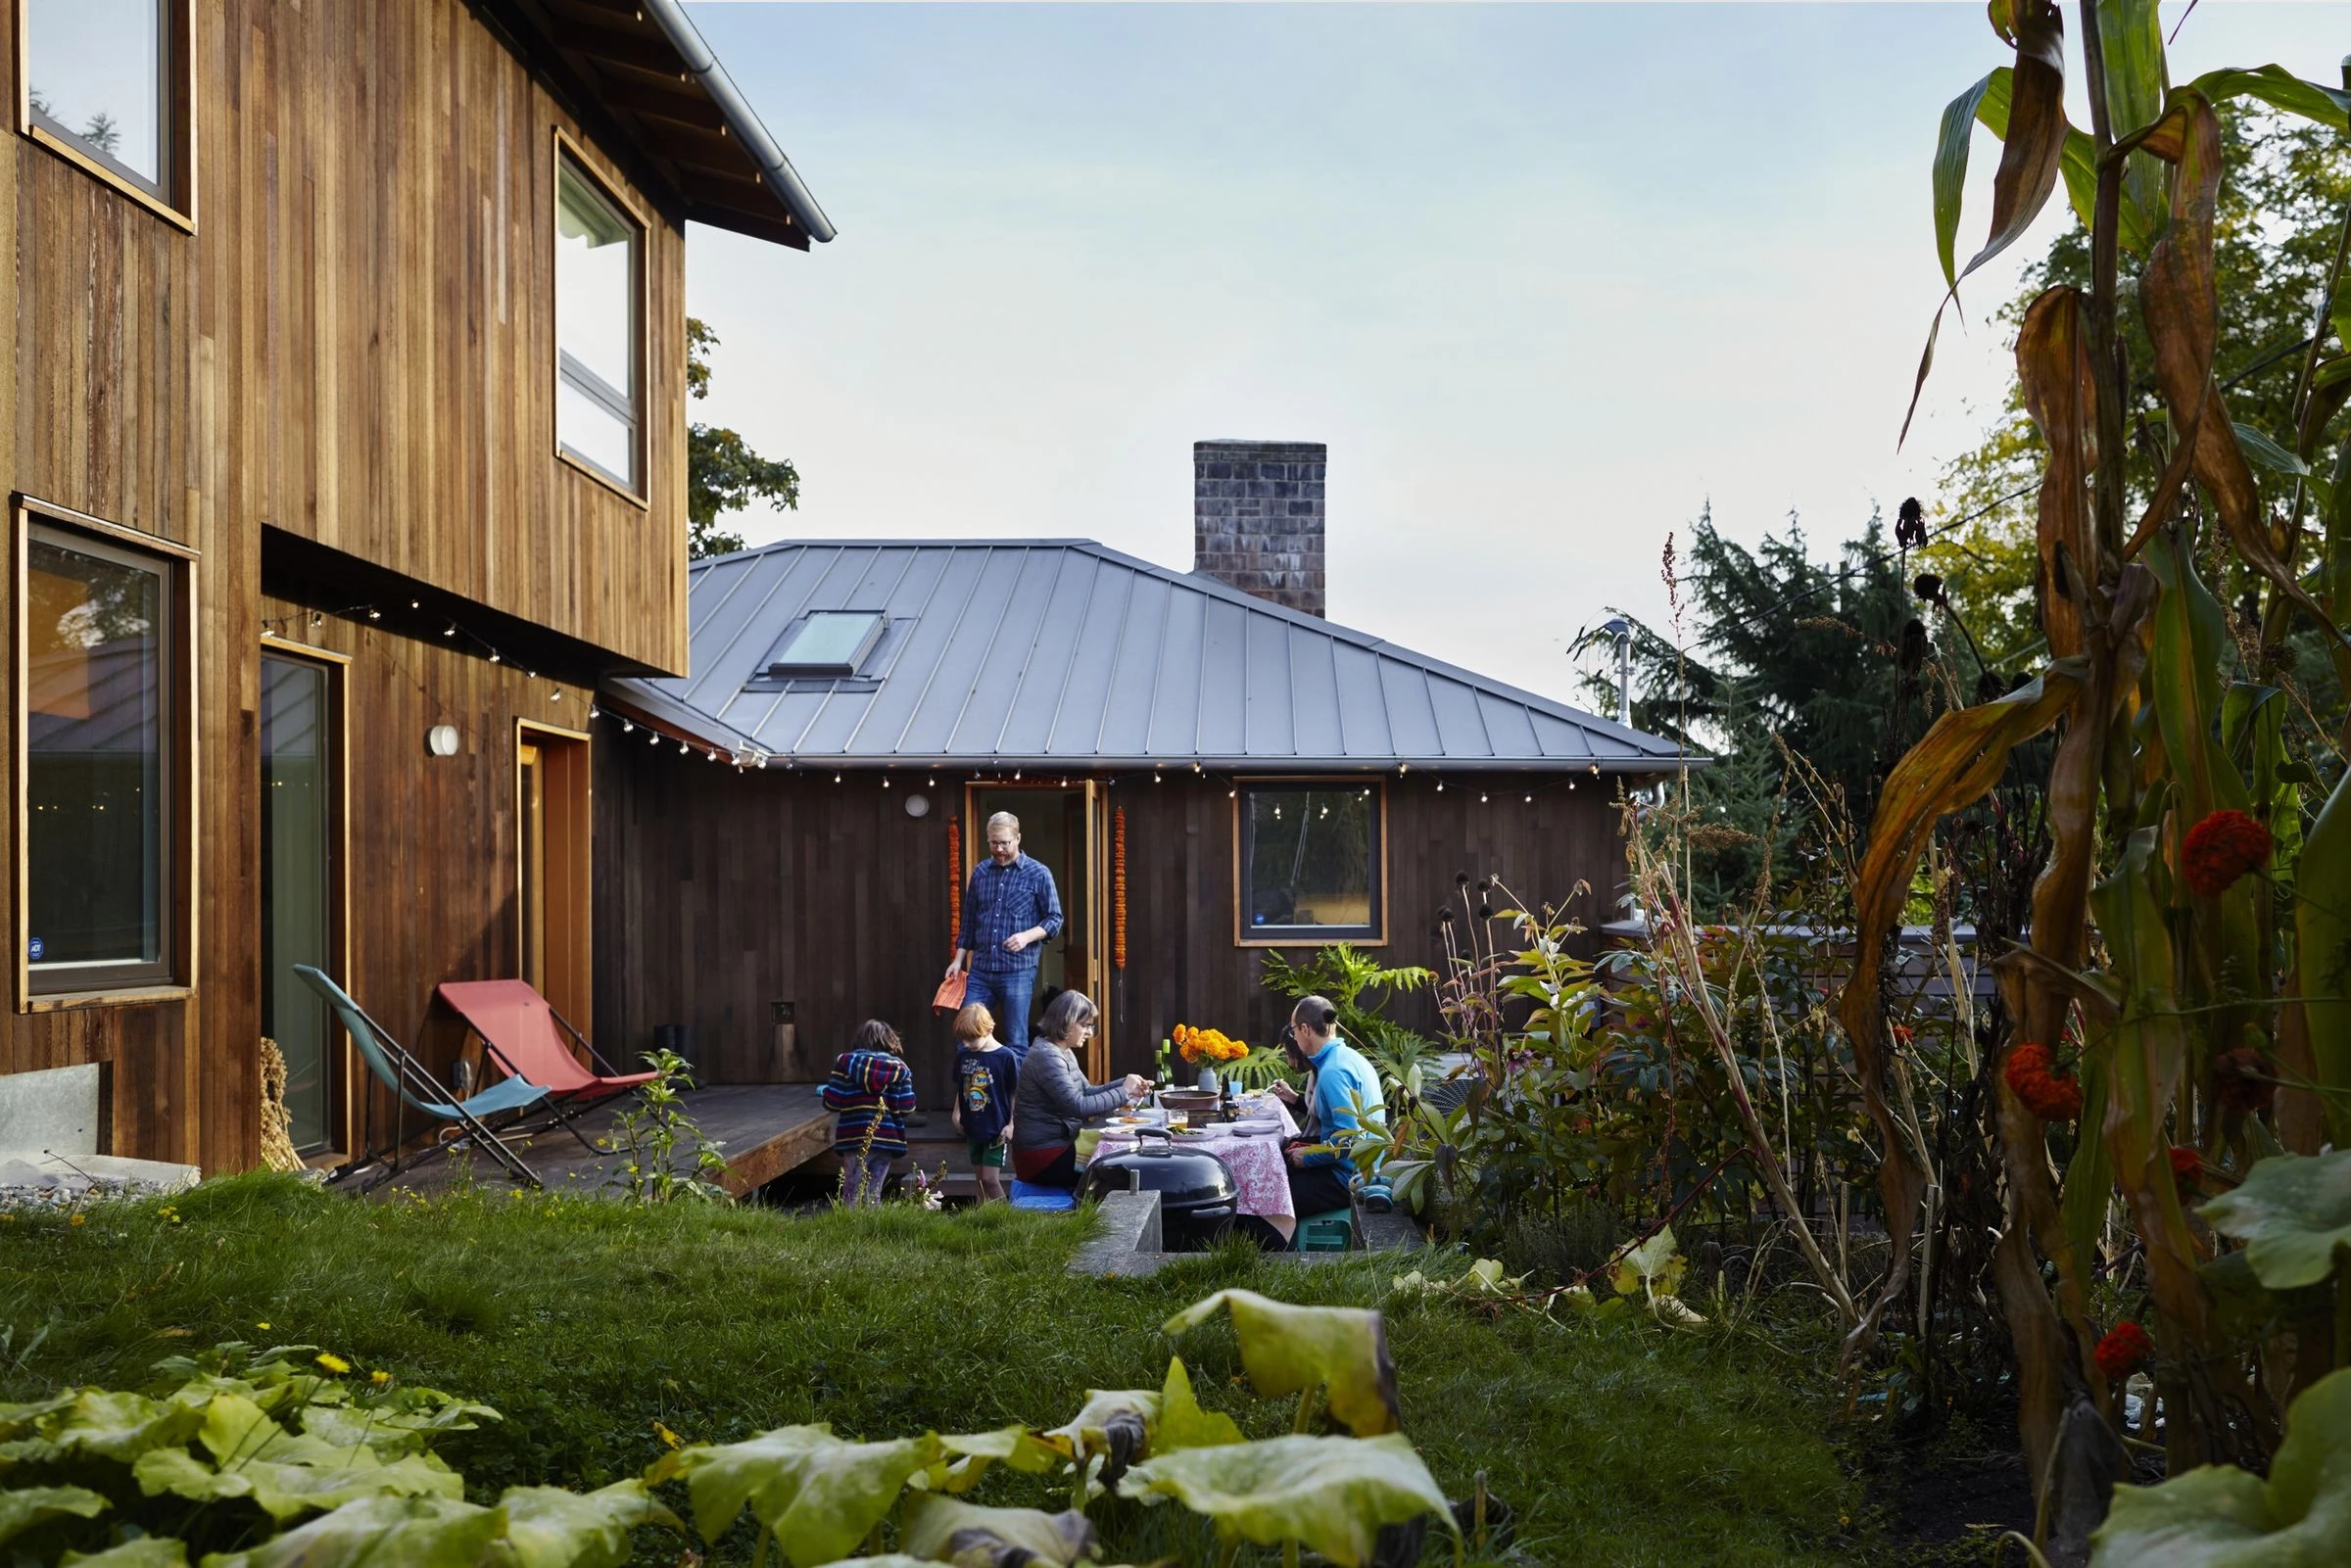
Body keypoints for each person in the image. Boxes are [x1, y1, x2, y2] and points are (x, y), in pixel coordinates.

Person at [945, 812, 1062, 1059]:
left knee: (1016, 1041)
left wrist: (1026, 936)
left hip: (1017, 971)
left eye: (1004, 843)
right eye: (993, 843)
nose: (998, 849)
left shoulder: (1039, 873)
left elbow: (1054, 919)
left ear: (1018, 838)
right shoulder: (980, 873)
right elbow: (968, 922)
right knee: (967, 1034)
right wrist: (957, 961)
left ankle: (1012, 1099)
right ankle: (969, 1096)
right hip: (980, 970)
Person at [1011, 989, 1148, 1188]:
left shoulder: (1062, 1051)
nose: (1090, 1033)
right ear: (1066, 1022)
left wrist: (1125, 1084)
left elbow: (1086, 1092)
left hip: (1056, 1147)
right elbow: (1079, 1106)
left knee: (1126, 1161)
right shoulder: (1047, 1056)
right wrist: (1124, 1092)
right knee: (1122, 1170)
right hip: (1042, 1158)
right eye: (1085, 1026)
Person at [1277, 996, 1391, 1219]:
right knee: (1282, 1157)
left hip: (1349, 1177)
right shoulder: (1349, 1057)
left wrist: (1309, 1158)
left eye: (1294, 1031)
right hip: (1359, 1164)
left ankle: (1281, 1253)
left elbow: (1351, 1141)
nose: (1295, 1038)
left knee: (1274, 1195)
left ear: (1305, 1029)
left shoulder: (1333, 1072)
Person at [822, 1019, 918, 1208]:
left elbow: (832, 1102)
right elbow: (907, 1107)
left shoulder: (845, 1064)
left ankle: (847, 1231)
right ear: (889, 1040)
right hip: (888, 1139)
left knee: (851, 1193)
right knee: (874, 1193)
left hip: (854, 1137)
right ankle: (874, 1231)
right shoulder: (899, 1069)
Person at [949, 1002, 1019, 1203]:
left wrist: (1011, 1123)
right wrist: (956, 1113)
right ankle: (983, 1220)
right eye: (963, 1039)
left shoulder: (1006, 1057)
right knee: (979, 1180)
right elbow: (962, 1085)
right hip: (972, 1125)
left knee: (990, 1180)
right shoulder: (963, 1055)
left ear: (989, 1030)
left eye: (972, 1038)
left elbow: (1014, 1092)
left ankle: (1007, 1219)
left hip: (996, 1128)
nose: (967, 1043)